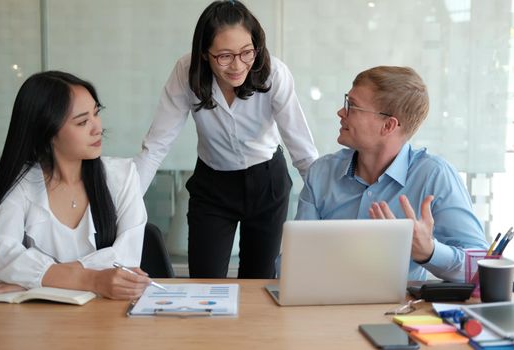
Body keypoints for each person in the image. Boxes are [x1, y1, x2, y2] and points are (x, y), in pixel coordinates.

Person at [134, 0, 318, 278]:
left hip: (267, 181)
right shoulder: (186, 73)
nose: (237, 65)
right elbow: (155, 147)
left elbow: (302, 151)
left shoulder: (273, 73)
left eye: (246, 52)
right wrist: (126, 204)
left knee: (259, 282)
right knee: (204, 279)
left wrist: (326, 206)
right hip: (213, 184)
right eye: (224, 56)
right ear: (205, 53)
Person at [295, 66, 489, 282]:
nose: (341, 112)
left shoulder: (434, 176)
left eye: (353, 106)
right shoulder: (321, 173)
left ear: (388, 125)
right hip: (321, 306)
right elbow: (293, 263)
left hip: (397, 313)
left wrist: (429, 252)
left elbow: (480, 268)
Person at [0, 71, 149, 299]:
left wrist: (33, 280)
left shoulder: (122, 176)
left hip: (108, 318)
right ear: (48, 133)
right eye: (82, 122)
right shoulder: (23, 185)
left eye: (96, 113)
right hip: (43, 325)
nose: (97, 128)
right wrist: (92, 279)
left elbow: (125, 261)